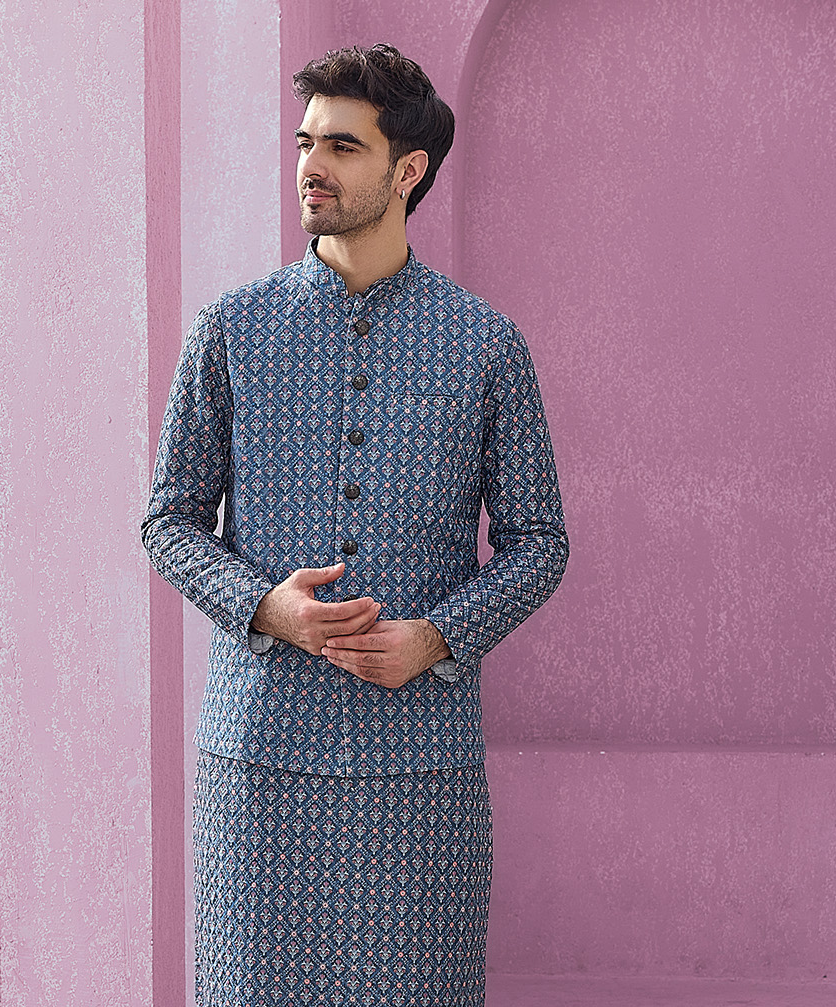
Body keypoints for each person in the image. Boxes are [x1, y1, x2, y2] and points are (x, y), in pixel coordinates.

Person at [141, 42, 569, 1006]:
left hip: (421, 769)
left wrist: (439, 636)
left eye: (342, 145)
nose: (311, 166)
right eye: (306, 143)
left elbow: (540, 540)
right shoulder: (232, 328)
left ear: (407, 170)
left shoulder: (485, 345)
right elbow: (169, 519)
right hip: (260, 761)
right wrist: (266, 607)